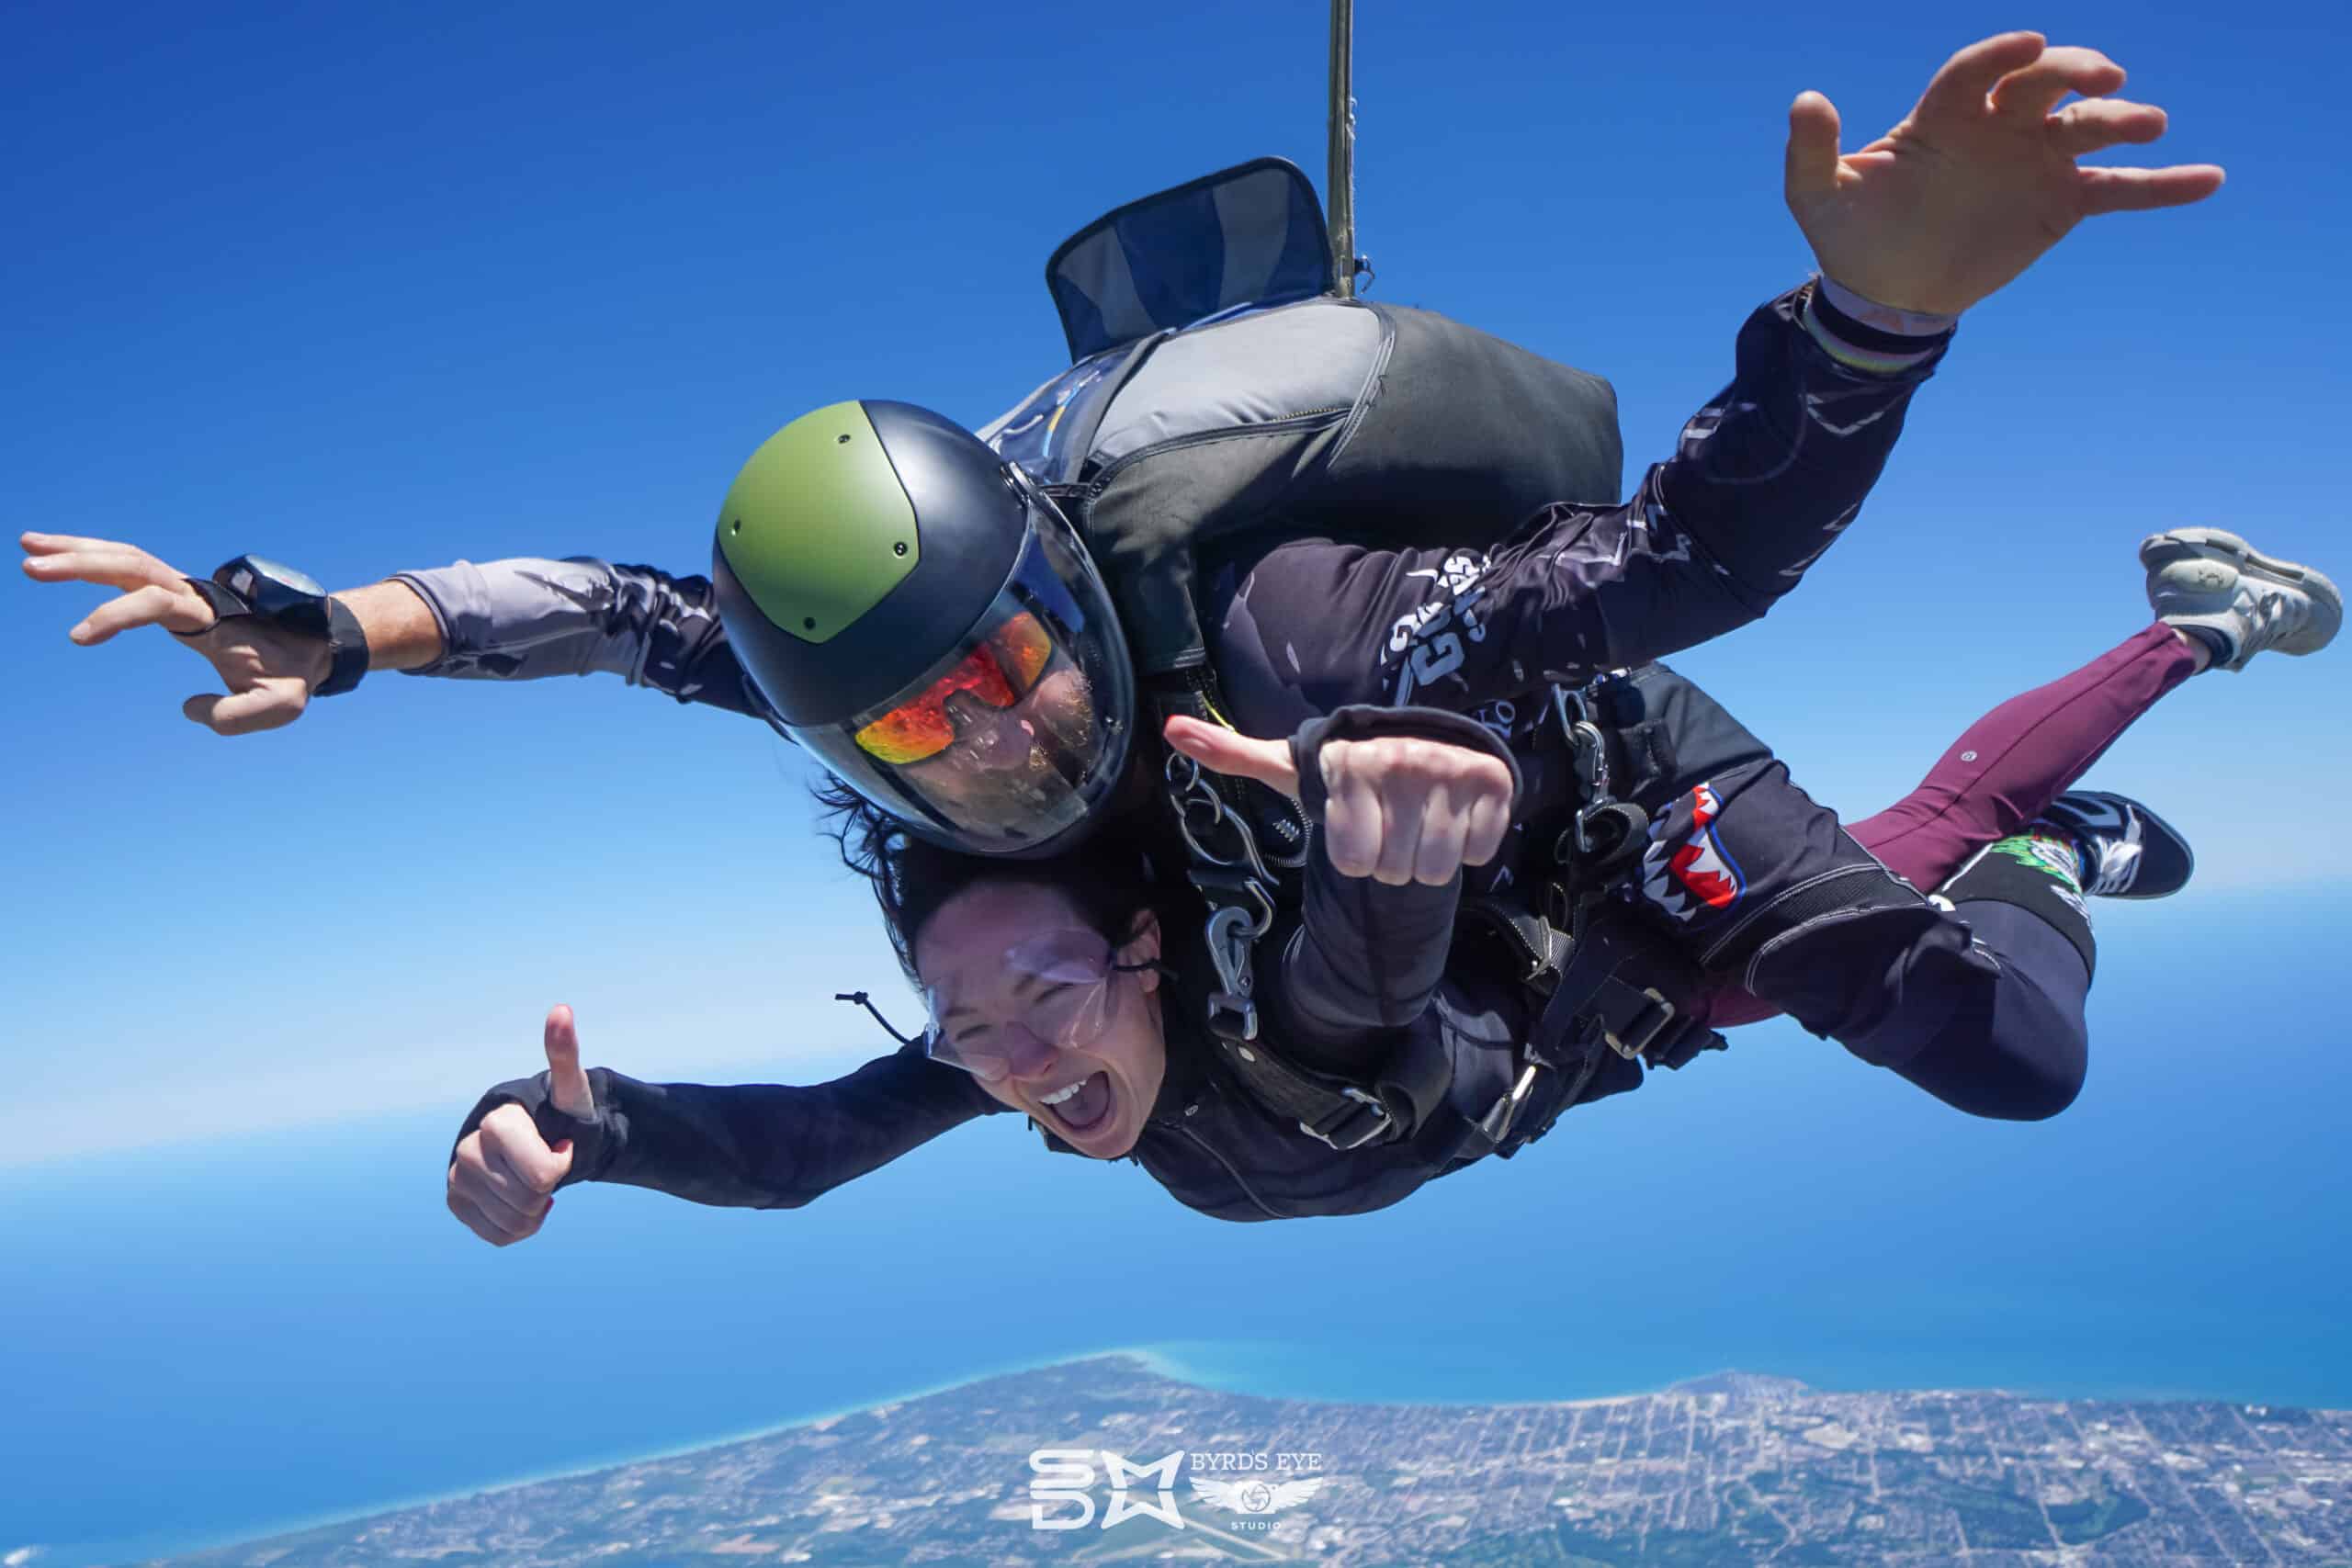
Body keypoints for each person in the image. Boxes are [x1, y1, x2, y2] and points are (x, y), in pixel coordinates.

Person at [439, 533, 2338, 1237]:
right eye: (969, 1031)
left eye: (1031, 1001)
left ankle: (2061, 842)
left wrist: (1389, 857)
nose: (1007, 1056)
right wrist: (580, 1138)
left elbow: (1382, 1032)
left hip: (1595, 865)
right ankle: (2180, 635)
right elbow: (803, 1145)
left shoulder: (1179, 980)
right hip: (1599, 975)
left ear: (1133, 948)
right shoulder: (1043, 1022)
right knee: (1895, 853)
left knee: (1994, 1030)